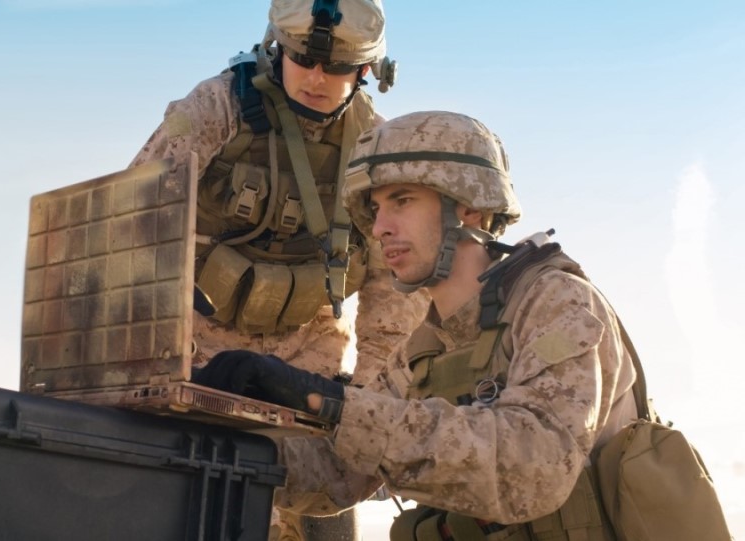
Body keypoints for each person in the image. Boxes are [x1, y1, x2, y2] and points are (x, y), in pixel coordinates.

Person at [192, 110, 643, 539]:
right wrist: (214, 426)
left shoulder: (556, 302)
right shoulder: (424, 347)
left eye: (402, 202)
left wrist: (329, 401)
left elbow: (533, 468)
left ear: (468, 207)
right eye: (374, 209)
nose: (380, 228)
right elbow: (338, 474)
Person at [129, 1, 428, 539]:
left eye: (336, 67)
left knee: (320, 497)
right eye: (301, 59)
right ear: (276, 47)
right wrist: (152, 359)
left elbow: (395, 282)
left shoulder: (378, 151)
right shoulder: (215, 109)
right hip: (201, 353)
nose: (316, 77)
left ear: (367, 71)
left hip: (307, 359)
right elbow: (134, 218)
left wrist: (367, 398)